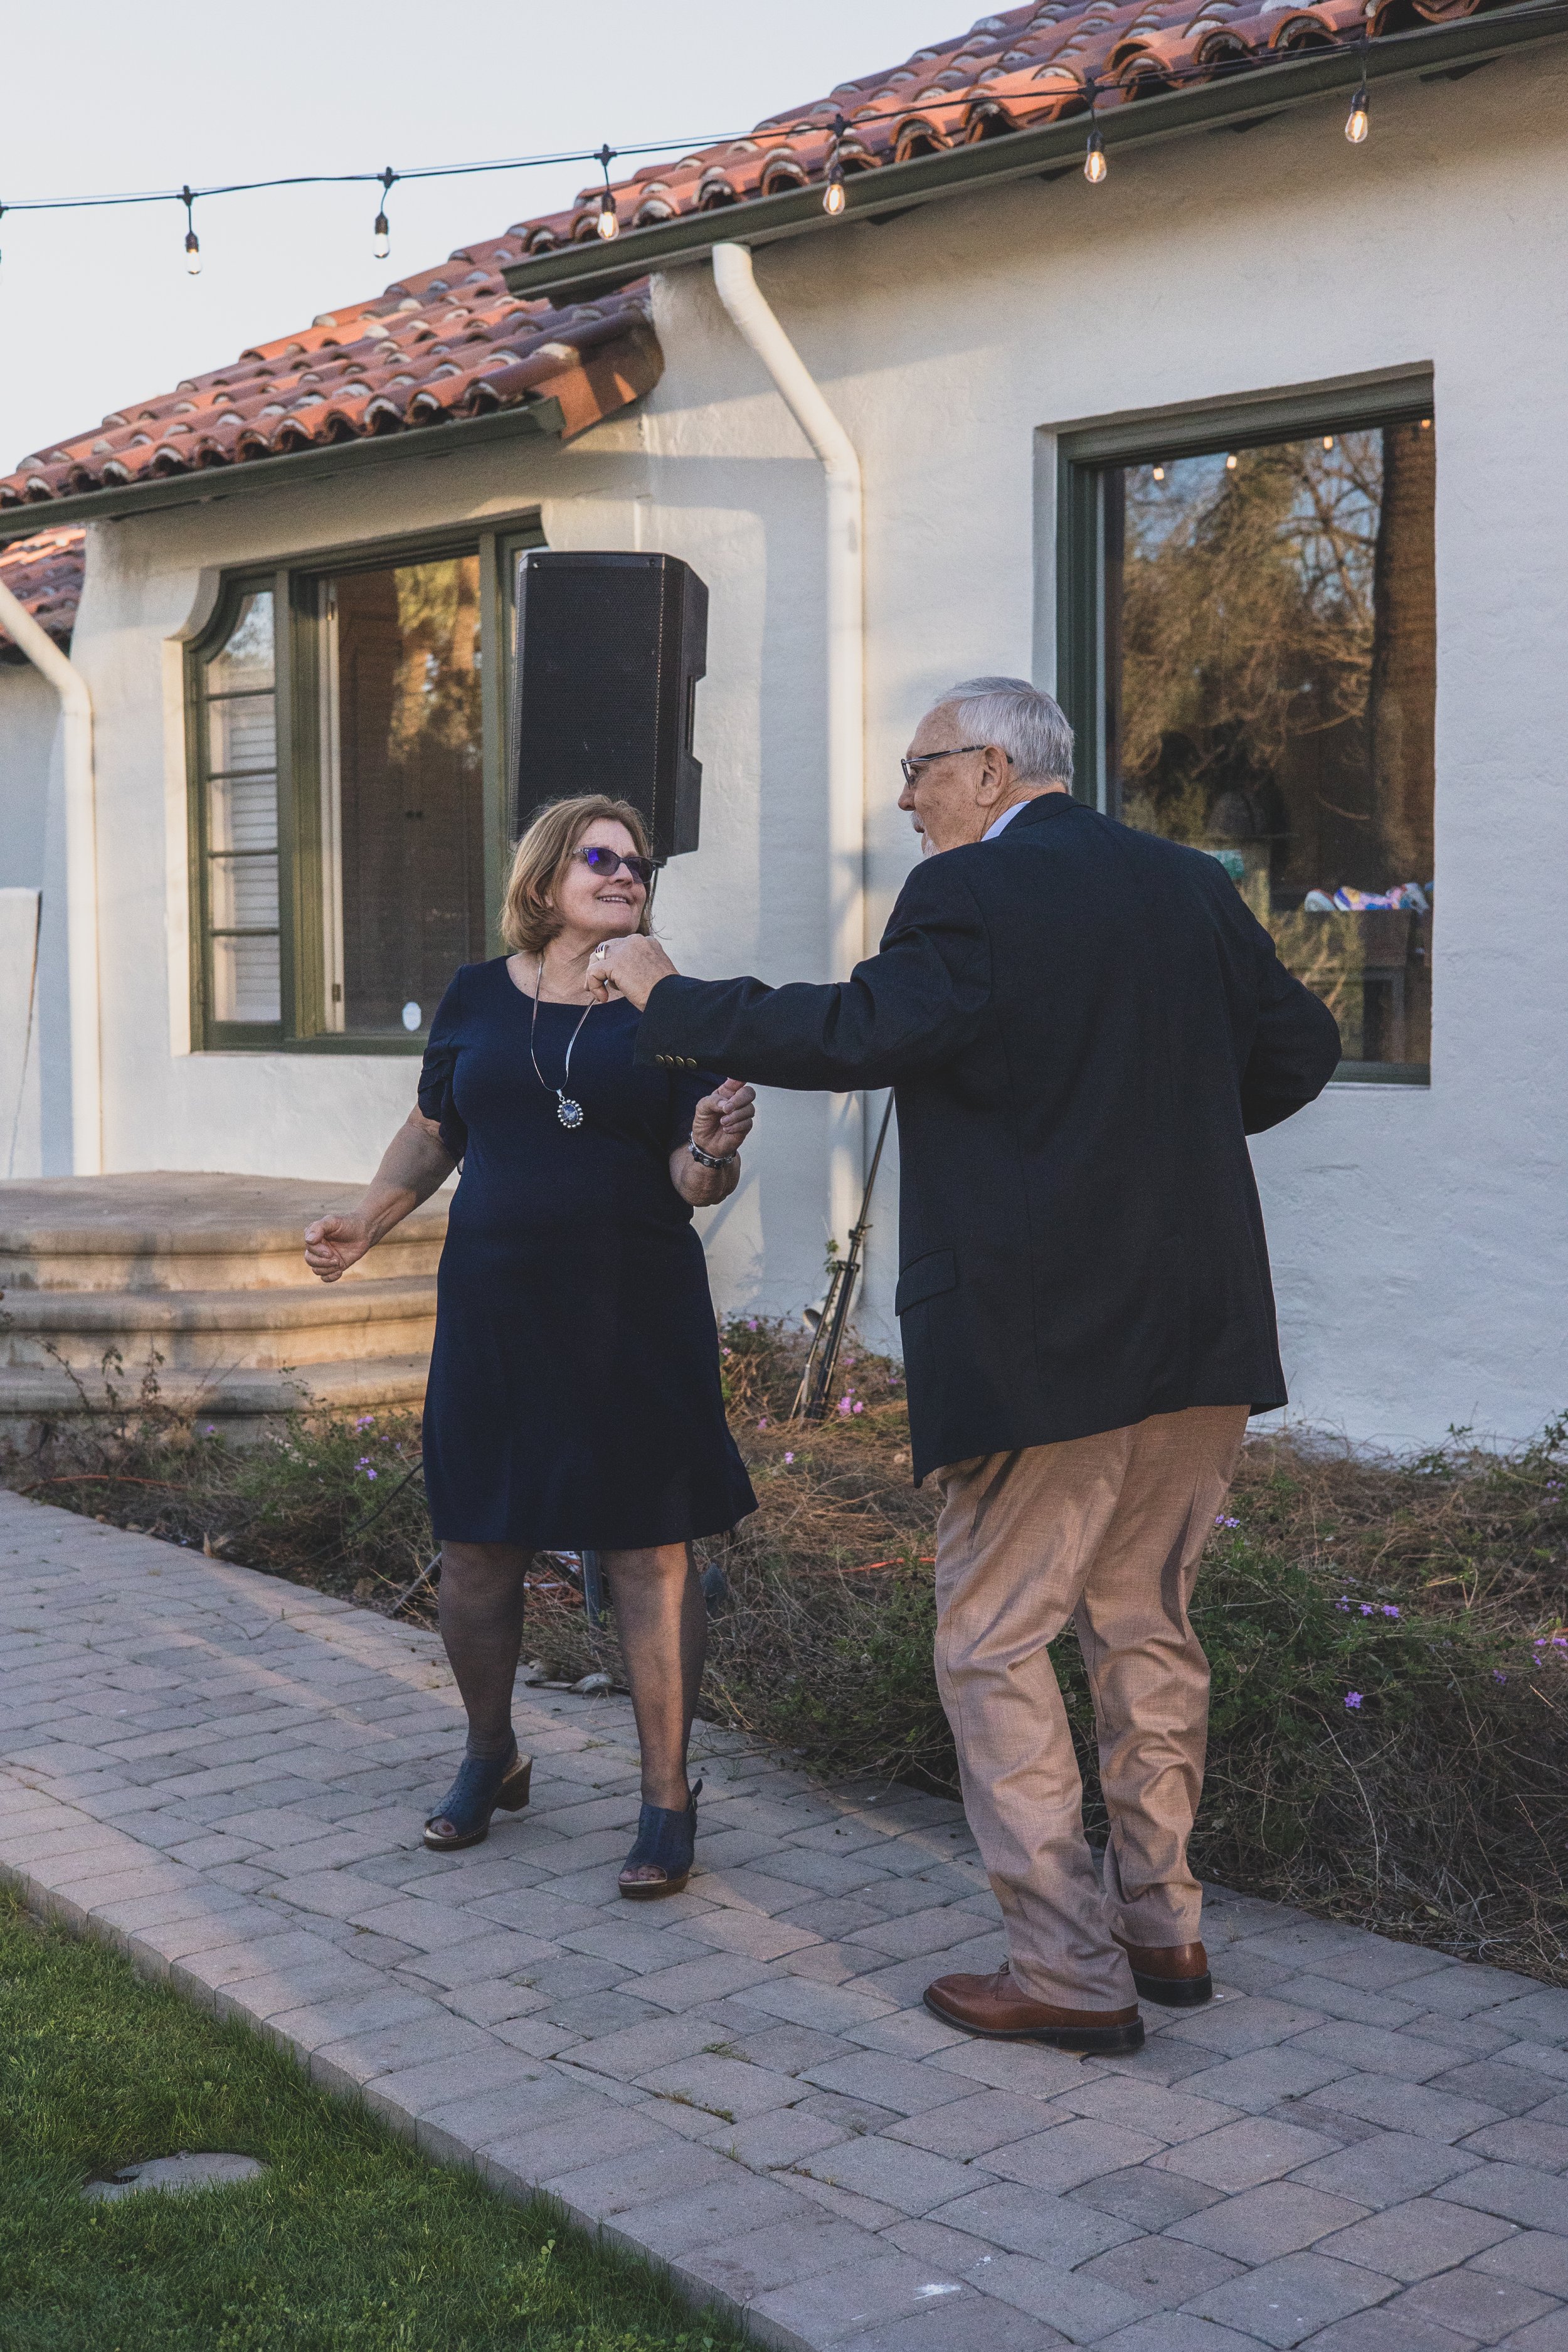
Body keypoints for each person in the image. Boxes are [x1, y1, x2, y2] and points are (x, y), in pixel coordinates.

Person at [590, 677, 1341, 2050]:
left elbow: (856, 1032)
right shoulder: (1183, 883)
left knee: (991, 1642)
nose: (904, 796)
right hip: (1197, 1329)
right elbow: (1301, 1044)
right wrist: (1149, 1130)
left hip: (1042, 1339)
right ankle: (1162, 1926)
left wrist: (667, 992)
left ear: (991, 770)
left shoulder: (968, 895)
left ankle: (1063, 1969)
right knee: (1146, 1626)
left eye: (919, 768)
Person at [304, 793, 756, 1898]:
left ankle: (665, 1794)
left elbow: (696, 1183)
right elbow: (436, 1127)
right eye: (602, 858)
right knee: (477, 1546)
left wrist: (707, 1148)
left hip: (633, 1312)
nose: (626, 875)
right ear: (546, 877)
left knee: (648, 1551)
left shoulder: (672, 1005)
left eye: (639, 865)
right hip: (497, 1313)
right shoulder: (472, 997)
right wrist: (369, 1218)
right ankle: (490, 1752)